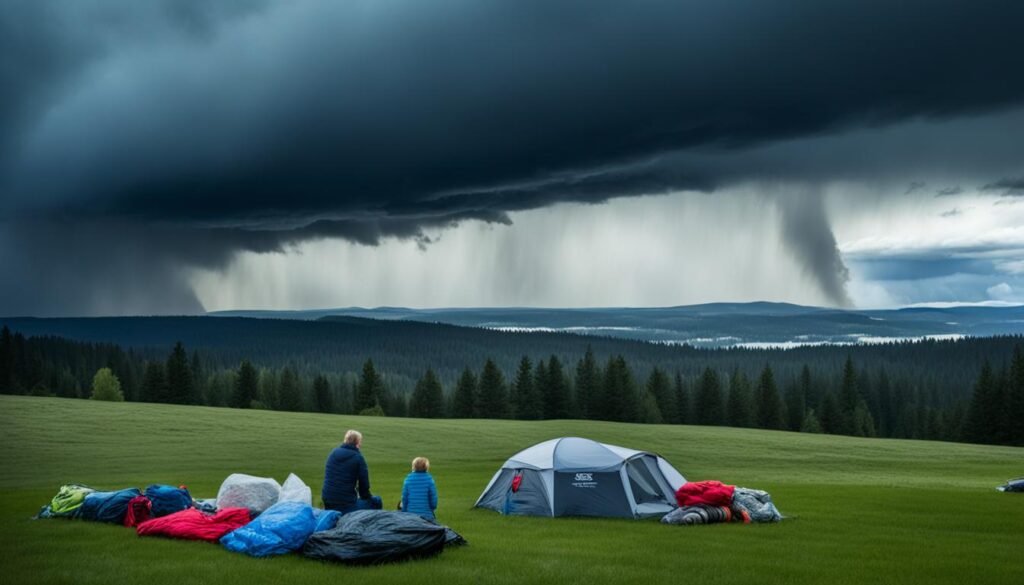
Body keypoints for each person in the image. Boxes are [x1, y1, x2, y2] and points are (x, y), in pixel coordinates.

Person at [322, 430, 380, 513]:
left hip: (328, 501)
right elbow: (364, 485)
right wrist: (367, 497)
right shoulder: (358, 458)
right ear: (357, 443)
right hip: (345, 504)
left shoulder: (333, 453)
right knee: (377, 501)